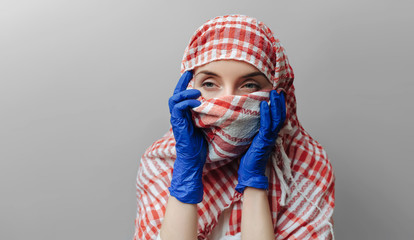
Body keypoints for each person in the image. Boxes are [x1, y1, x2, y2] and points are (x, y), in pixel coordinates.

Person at [133, 15, 335, 240]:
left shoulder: (306, 163)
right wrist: (186, 174)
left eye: (249, 85)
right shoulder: (160, 163)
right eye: (209, 83)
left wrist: (254, 182)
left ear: (278, 91)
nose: (228, 100)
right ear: (189, 88)